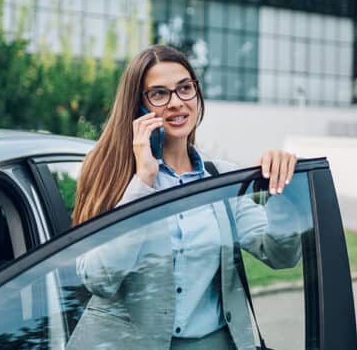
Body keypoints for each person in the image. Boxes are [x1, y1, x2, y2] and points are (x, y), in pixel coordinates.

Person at [67, 45, 301, 350]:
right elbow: (99, 278)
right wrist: (144, 181)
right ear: (138, 106)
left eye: (184, 88)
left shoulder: (222, 179)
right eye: (159, 94)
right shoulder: (112, 176)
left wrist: (281, 192)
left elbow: (280, 256)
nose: (176, 103)